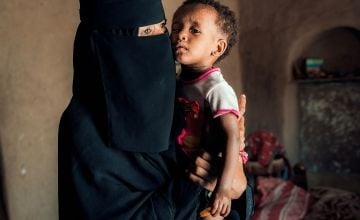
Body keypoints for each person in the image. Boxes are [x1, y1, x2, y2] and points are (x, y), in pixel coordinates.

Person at [58, 0, 248, 219]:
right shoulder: (84, 131)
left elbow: (236, 188)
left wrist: (234, 180)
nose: (169, 39)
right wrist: (197, 184)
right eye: (147, 30)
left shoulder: (176, 97)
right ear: (109, 44)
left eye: (162, 27)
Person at [170, 0, 248, 219]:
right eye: (176, 28)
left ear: (218, 47)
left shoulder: (216, 88)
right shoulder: (177, 81)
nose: (181, 35)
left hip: (215, 175)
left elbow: (232, 137)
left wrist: (223, 190)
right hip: (185, 172)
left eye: (194, 30)